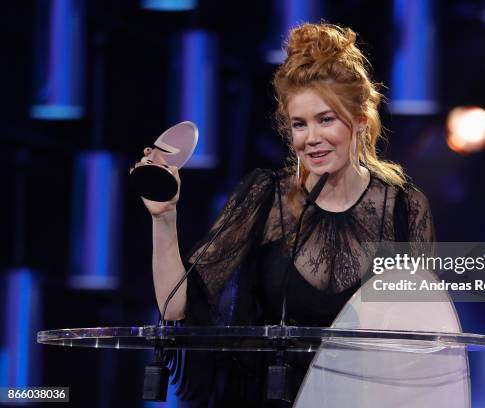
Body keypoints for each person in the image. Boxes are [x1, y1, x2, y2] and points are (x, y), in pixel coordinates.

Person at [135, 22, 435, 407]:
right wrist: (164, 216)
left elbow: (423, 339)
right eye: (299, 124)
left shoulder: (403, 209)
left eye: (326, 119)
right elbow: (176, 305)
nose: (311, 138)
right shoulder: (267, 198)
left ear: (361, 120)